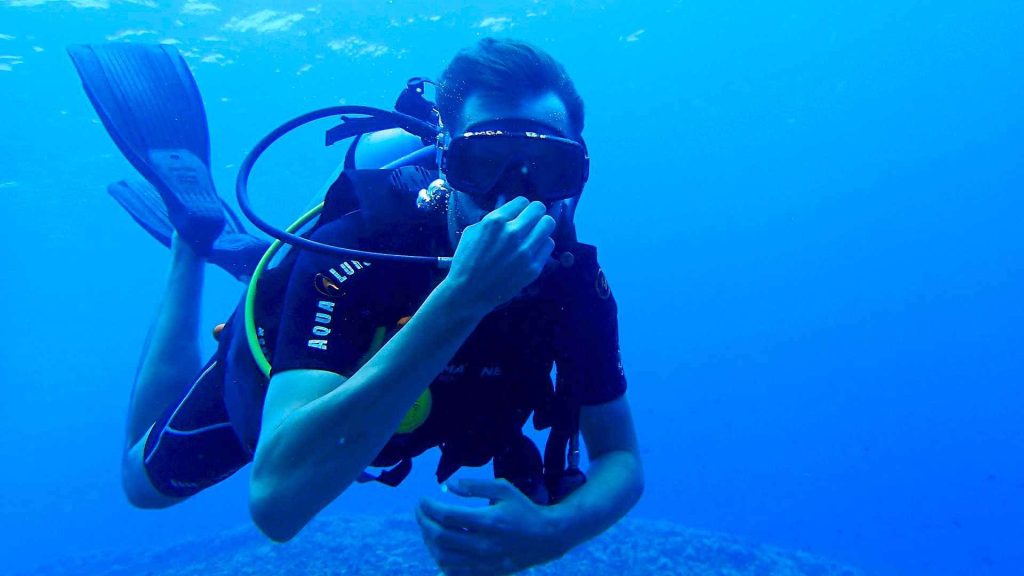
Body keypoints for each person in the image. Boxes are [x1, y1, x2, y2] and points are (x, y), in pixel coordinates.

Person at [70, 38, 644, 575]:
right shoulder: (356, 251)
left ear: (577, 174)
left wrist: (555, 530)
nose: (513, 195)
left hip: (393, 394)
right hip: (303, 338)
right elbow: (276, 505)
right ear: (445, 158)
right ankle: (190, 241)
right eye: (483, 161)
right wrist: (462, 299)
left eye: (548, 168)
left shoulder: (572, 284)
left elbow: (620, 457)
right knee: (140, 486)